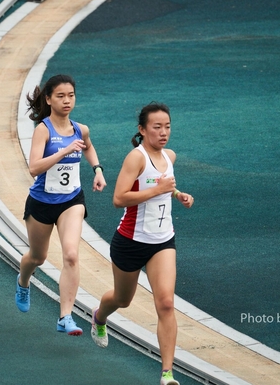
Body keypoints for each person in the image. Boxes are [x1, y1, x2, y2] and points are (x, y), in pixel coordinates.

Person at [90, 103, 193, 385]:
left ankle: (167, 374)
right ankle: (99, 316)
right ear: (142, 130)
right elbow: (118, 198)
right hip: (130, 242)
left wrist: (179, 195)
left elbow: (165, 185)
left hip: (162, 241)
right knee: (123, 300)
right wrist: (156, 190)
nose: (163, 133)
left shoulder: (169, 156)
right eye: (157, 127)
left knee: (167, 303)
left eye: (167, 126)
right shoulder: (136, 158)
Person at [15, 74, 106, 336]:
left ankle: (65, 316)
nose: (67, 101)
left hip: (71, 201)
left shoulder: (80, 129)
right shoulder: (43, 130)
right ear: (48, 99)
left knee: (71, 255)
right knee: (37, 257)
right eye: (60, 96)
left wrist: (97, 170)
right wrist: (63, 152)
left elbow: (88, 146)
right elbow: (34, 168)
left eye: (71, 96)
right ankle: (23, 282)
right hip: (42, 202)